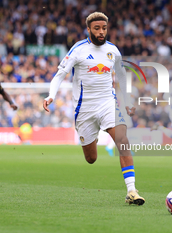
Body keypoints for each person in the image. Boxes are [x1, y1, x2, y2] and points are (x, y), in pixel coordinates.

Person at [43, 12, 145, 205]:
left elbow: (121, 76)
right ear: (88, 29)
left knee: (122, 141)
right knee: (91, 158)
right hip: (85, 110)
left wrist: (127, 99)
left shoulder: (113, 51)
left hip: (108, 103)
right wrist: (50, 96)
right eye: (97, 28)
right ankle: (95, 134)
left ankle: (131, 191)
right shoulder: (78, 50)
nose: (101, 32)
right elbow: (59, 75)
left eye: (104, 28)